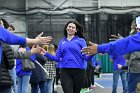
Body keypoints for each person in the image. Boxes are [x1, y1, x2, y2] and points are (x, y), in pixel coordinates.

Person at [40, 20, 91, 93]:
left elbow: (86, 57)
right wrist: (46, 53)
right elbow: (57, 58)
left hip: (79, 71)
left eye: (73, 27)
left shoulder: (81, 41)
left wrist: (92, 54)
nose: (70, 28)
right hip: (65, 71)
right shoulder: (62, 42)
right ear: (66, 28)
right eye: (69, 27)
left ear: (76, 30)